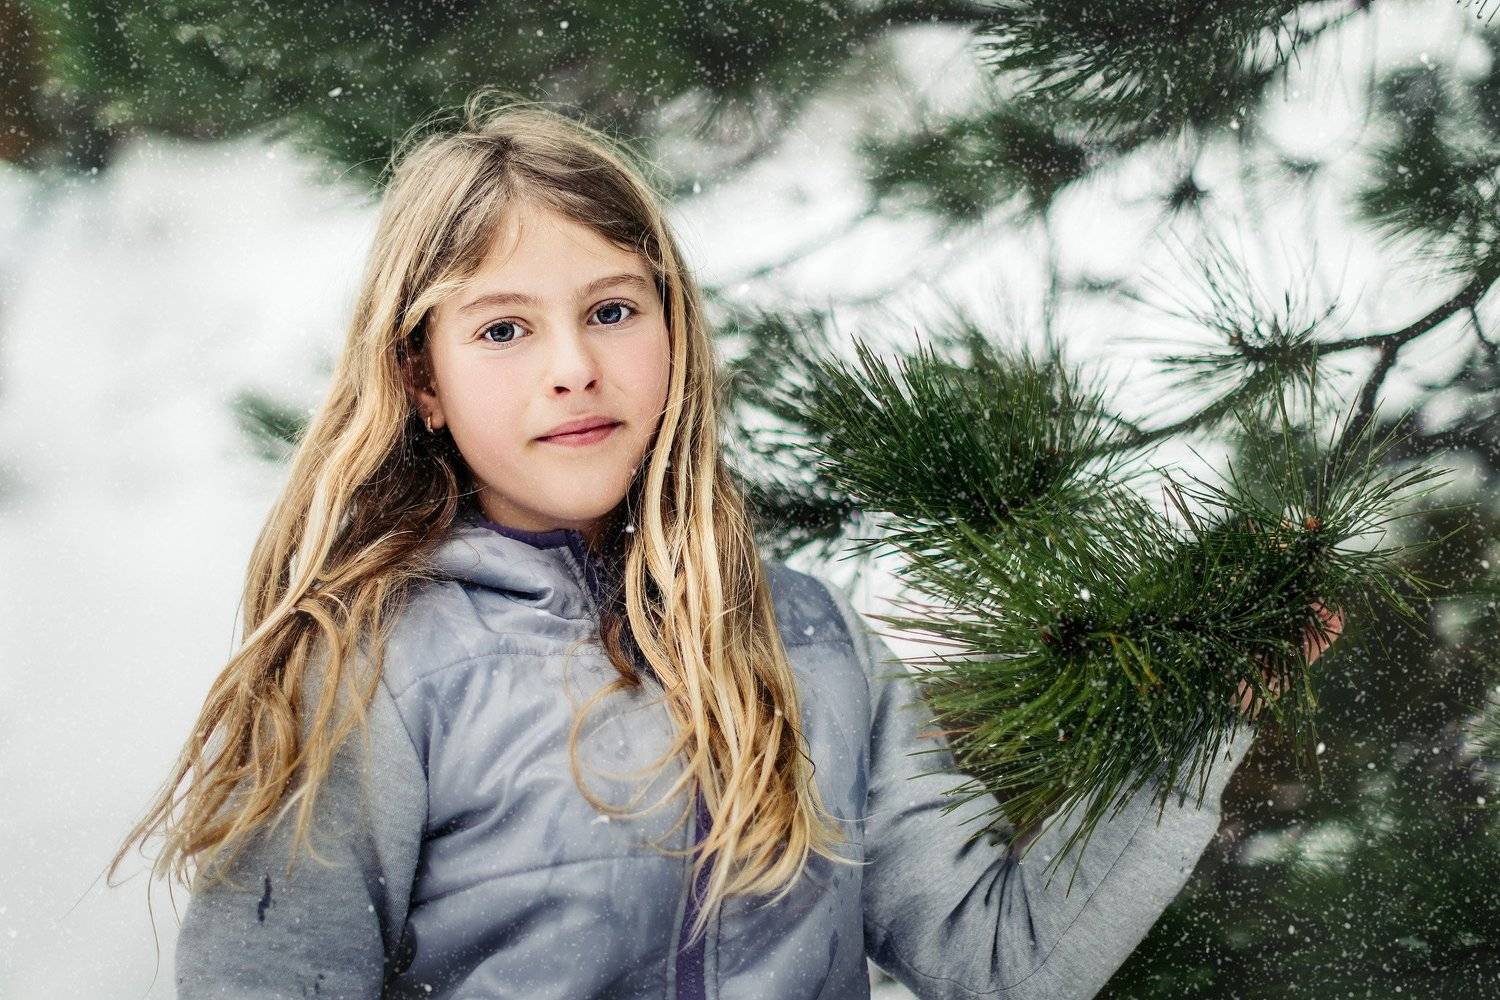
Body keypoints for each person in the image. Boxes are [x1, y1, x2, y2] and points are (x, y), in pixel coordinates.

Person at [107, 90, 1341, 1000]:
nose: (573, 366)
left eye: (609, 309)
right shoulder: (367, 670)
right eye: (502, 330)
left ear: (672, 330)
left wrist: (1192, 722)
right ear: (418, 380)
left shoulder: (811, 636)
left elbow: (1000, 958)